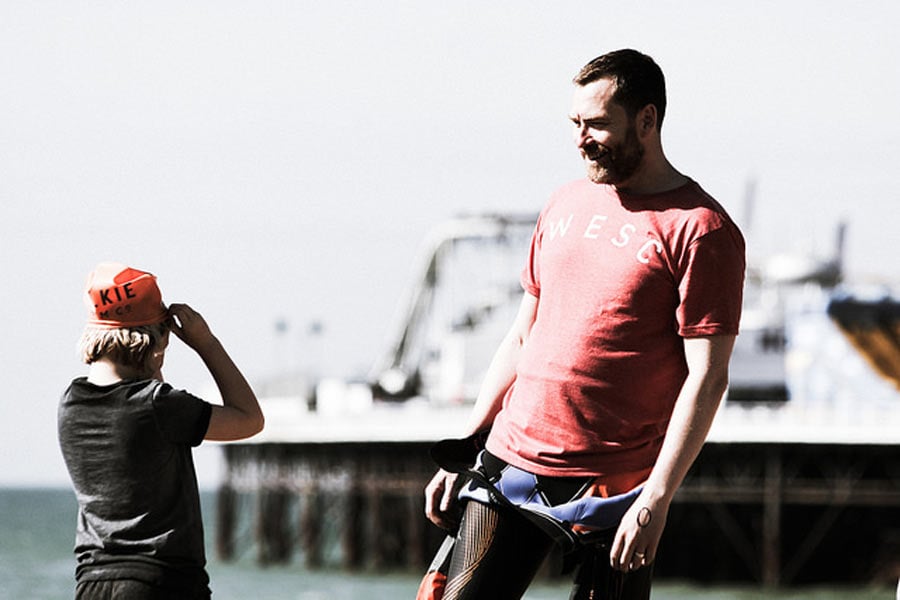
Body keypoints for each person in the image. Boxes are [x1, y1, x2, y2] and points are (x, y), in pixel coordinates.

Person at [419, 49, 746, 600]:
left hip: (615, 489)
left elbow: (707, 378)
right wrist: (468, 447)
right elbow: (523, 336)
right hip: (509, 465)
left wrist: (657, 497)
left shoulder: (702, 230)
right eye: (575, 123)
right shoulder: (564, 203)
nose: (581, 138)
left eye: (597, 123)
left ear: (647, 119)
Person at [58, 262, 265, 600]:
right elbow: (249, 419)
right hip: (161, 582)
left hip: (92, 583)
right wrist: (205, 342)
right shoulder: (159, 405)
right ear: (156, 341)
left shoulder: (70, 403)